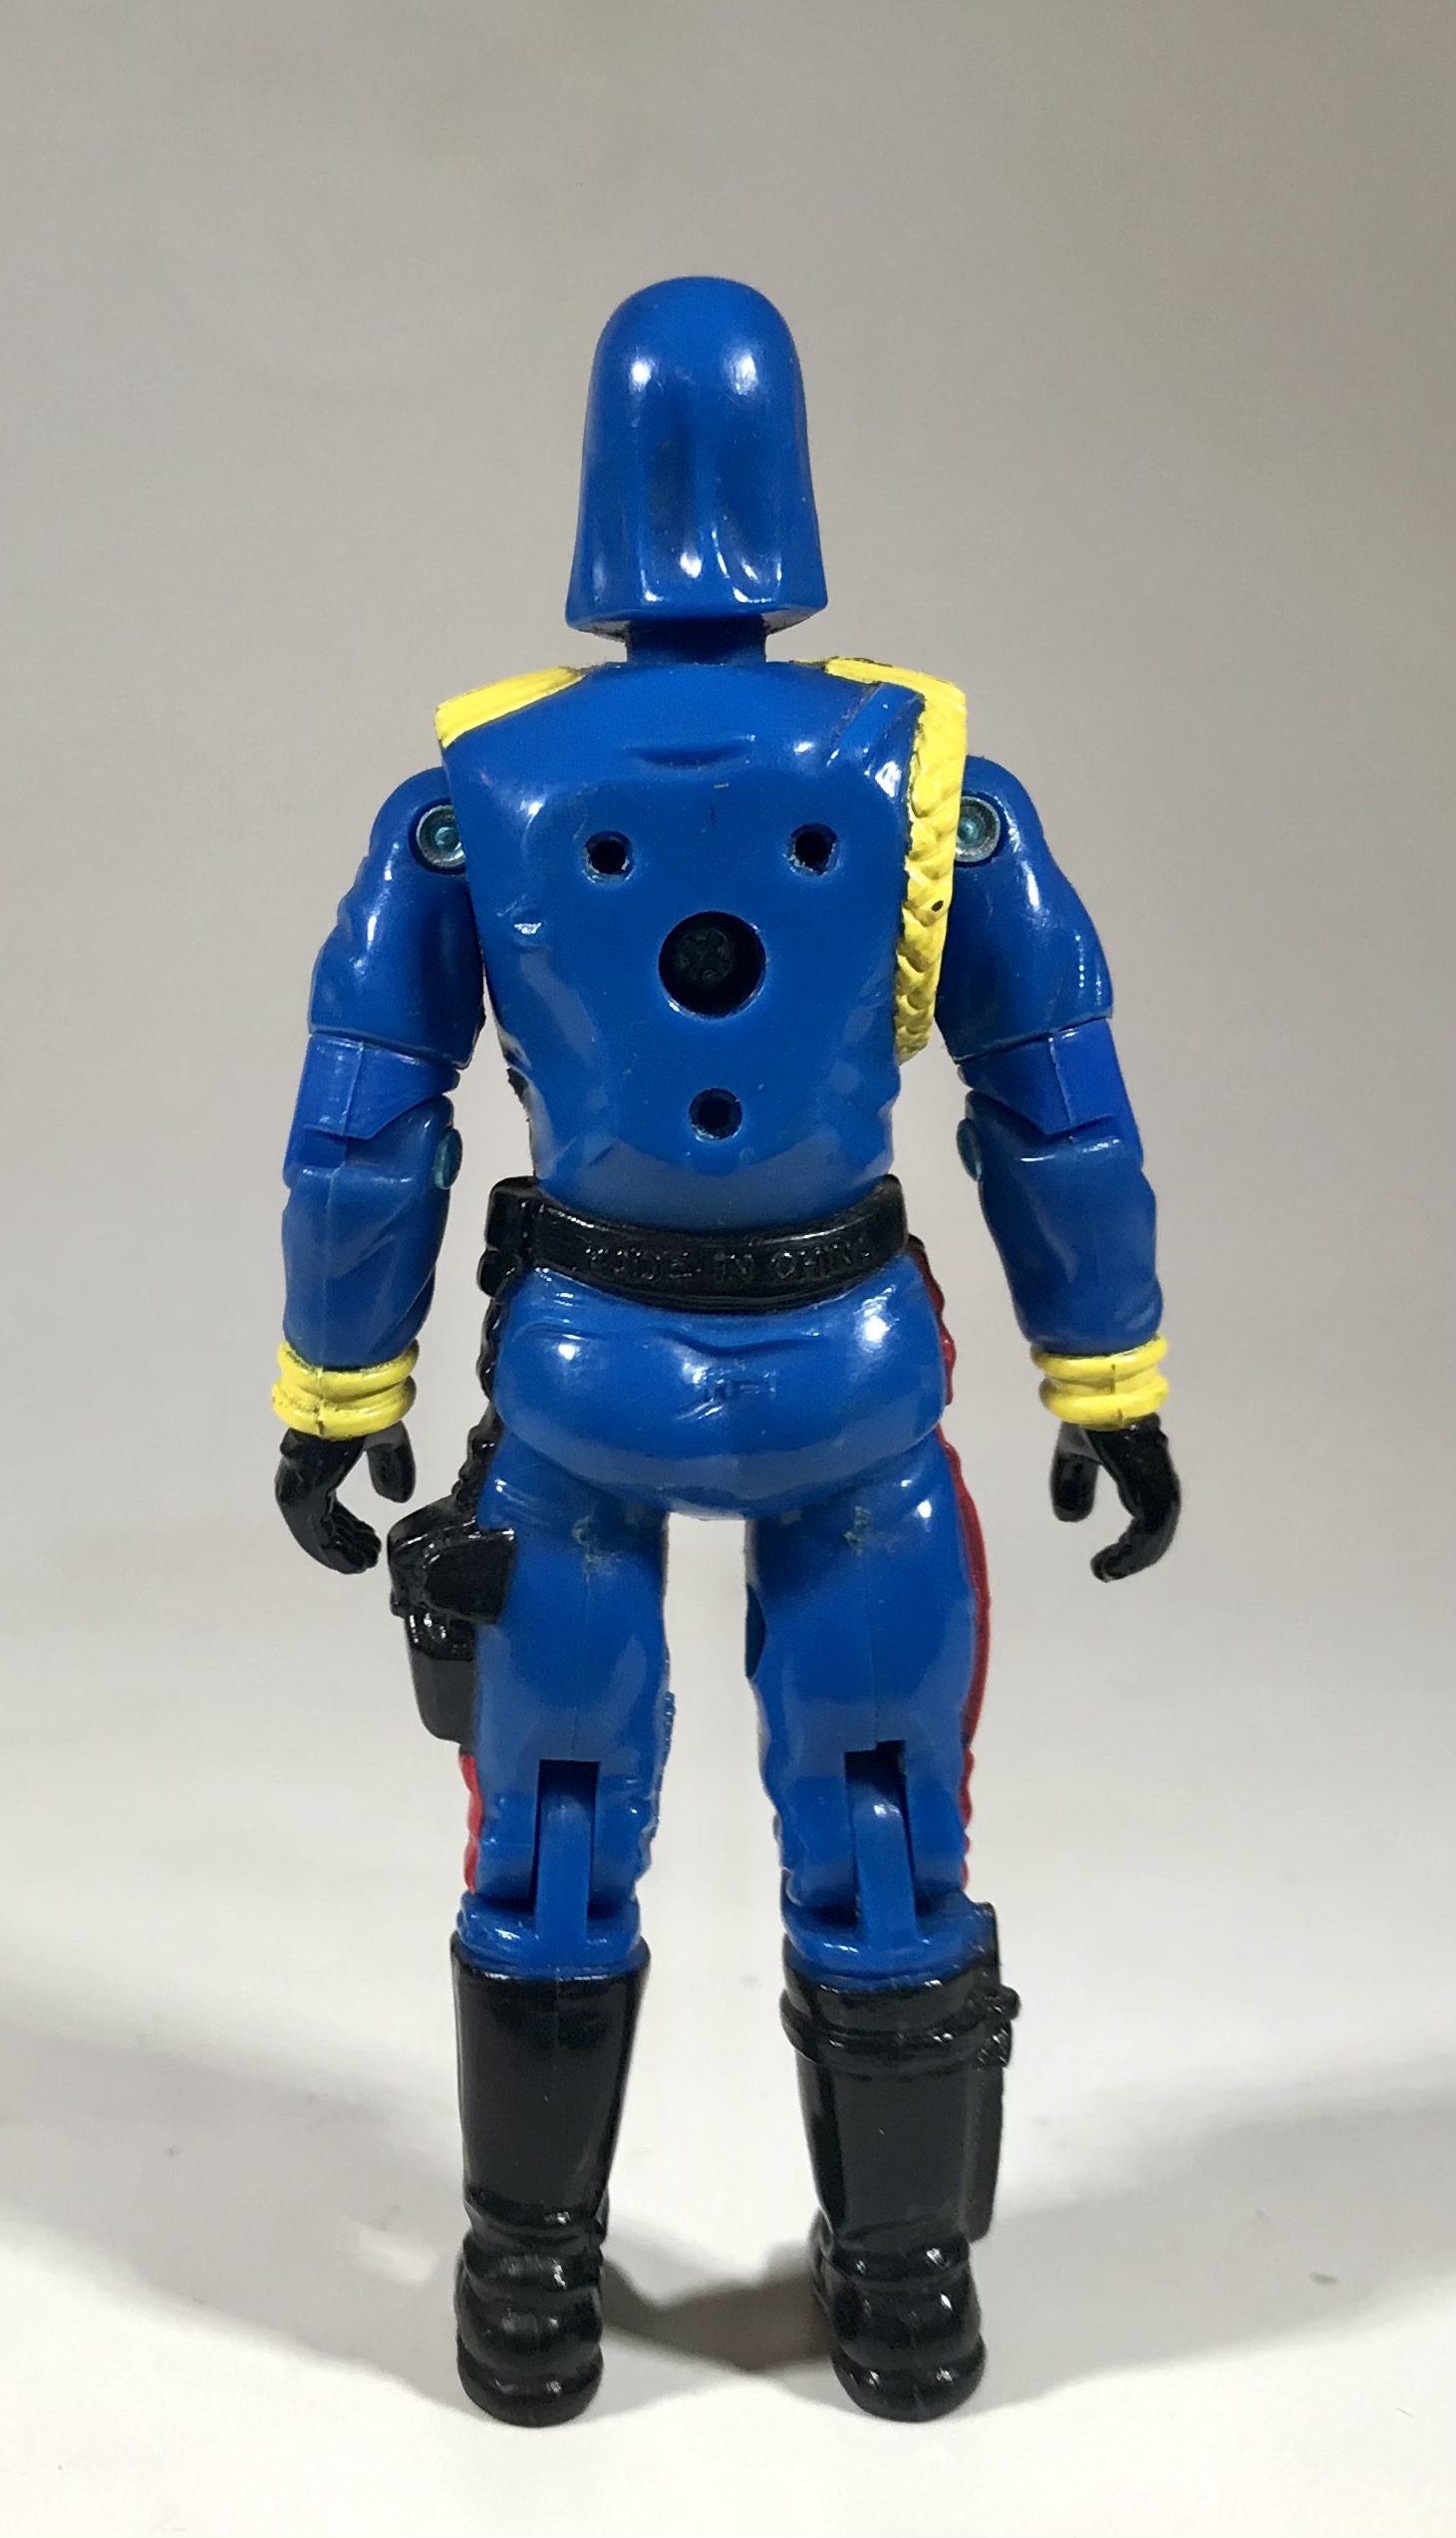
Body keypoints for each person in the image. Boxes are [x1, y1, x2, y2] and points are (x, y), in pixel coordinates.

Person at [271, 276, 1180, 2425]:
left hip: (580, 1381)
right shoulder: (938, 786)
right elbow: (1055, 1101)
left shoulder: (469, 795)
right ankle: (905, 2285)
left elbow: (364, 1128)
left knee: (552, 1822)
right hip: (849, 1384)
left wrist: (340, 1392)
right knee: (881, 1818)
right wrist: (1107, 1374)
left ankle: (525, 2280)